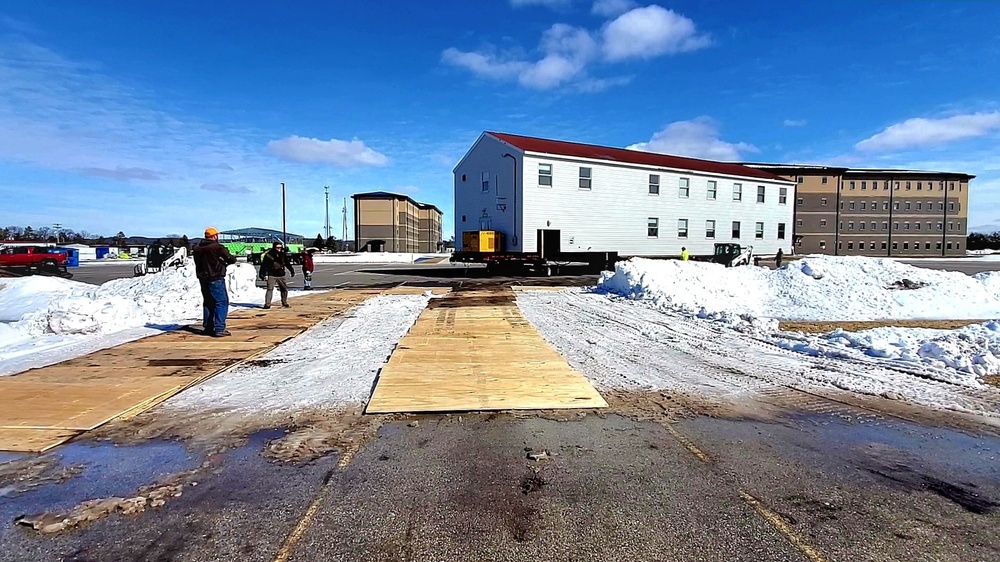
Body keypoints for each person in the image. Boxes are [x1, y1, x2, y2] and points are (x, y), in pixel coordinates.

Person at [193, 227, 237, 337]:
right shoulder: (217, 247)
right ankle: (219, 328)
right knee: (221, 302)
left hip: (203, 278)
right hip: (215, 277)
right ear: (215, 236)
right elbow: (231, 259)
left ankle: (208, 327)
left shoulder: (197, 248)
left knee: (208, 302)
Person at [259, 241, 295, 309]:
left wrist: (291, 270)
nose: (279, 249)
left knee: (284, 289)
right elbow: (264, 265)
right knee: (270, 289)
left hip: (281, 274)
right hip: (272, 274)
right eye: (277, 247)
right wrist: (262, 274)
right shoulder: (269, 255)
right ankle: (267, 304)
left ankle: (284, 302)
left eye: (280, 247)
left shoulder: (283, 254)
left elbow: (287, 263)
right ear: (274, 247)